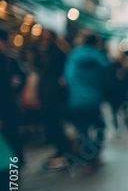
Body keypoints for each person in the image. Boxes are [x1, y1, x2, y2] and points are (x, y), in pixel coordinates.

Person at [64, 33, 110, 167]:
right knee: (100, 126)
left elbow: (67, 77)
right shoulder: (99, 56)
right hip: (94, 99)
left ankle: (87, 155)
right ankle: (94, 149)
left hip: (75, 100)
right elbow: (106, 78)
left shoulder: (73, 55)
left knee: (82, 130)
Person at [38, 30, 71, 170]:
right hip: (50, 94)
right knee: (53, 124)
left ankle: (64, 153)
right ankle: (62, 152)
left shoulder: (56, 53)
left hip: (54, 95)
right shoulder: (51, 52)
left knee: (55, 123)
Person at [0, 29, 24, 167]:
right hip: (7, 104)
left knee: (12, 136)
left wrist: (17, 82)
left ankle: (14, 165)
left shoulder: (10, 59)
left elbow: (22, 75)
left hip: (9, 104)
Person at [107, 53, 128, 133]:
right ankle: (119, 127)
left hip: (119, 94)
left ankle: (124, 126)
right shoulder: (112, 68)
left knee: (122, 111)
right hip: (118, 94)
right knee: (118, 112)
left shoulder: (125, 68)